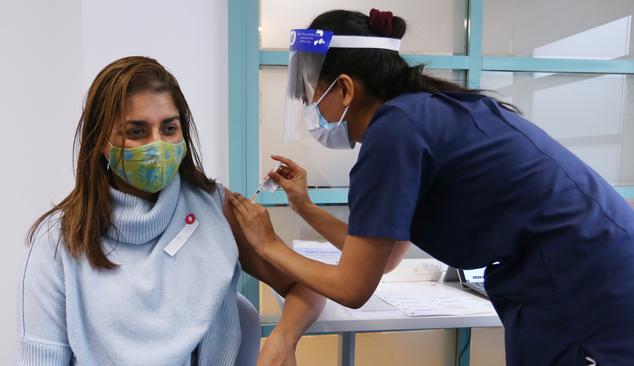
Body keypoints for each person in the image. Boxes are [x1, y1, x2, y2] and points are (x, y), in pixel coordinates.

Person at [228, 9, 634, 366]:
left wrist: (267, 244)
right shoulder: (422, 114)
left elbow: (352, 288)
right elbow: (381, 260)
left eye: (313, 97)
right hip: (580, 269)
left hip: (587, 286)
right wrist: (305, 207)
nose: (312, 112)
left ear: (346, 89)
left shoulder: (395, 133)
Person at [17, 56, 324, 366]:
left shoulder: (218, 210)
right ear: (101, 142)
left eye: (169, 128)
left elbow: (310, 285)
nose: (157, 144)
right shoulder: (58, 240)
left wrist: (284, 339)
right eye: (136, 132)